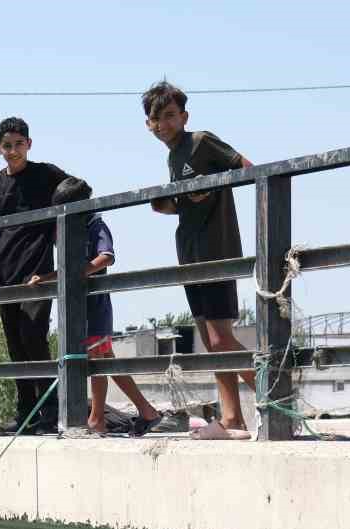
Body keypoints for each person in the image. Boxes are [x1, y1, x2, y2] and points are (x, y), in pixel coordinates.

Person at [144, 80, 258, 440]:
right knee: (210, 342)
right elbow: (185, 204)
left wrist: (212, 184)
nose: (164, 124)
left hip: (217, 249)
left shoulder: (200, 142)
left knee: (222, 337)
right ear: (149, 125)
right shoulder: (172, 156)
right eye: (156, 119)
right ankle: (231, 418)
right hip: (190, 254)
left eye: (170, 116)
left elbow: (246, 167)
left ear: (184, 116)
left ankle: (276, 394)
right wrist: (169, 202)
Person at [28, 177, 168, 436]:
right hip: (75, 305)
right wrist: (46, 278)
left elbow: (107, 257)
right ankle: (146, 410)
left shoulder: (95, 224)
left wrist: (80, 273)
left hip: (94, 304)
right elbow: (66, 268)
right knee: (105, 359)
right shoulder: (65, 228)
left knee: (96, 360)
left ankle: (96, 419)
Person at [0, 117, 70, 434]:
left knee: (34, 337)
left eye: (19, 144)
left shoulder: (46, 174)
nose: (13, 150)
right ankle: (27, 415)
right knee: (16, 346)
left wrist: (59, 217)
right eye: (7, 145)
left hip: (37, 273)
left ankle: (50, 412)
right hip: (4, 272)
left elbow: (80, 190)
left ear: (29, 144)